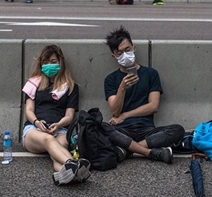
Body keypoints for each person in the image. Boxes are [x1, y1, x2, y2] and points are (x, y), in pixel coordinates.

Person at [103, 26, 184, 163]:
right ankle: (150, 152)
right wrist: (122, 88)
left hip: (146, 129)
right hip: (123, 131)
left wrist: (125, 115)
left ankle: (128, 150)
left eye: (127, 50)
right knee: (102, 128)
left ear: (134, 48)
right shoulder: (111, 79)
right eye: (119, 53)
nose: (125, 55)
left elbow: (153, 106)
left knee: (178, 130)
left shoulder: (150, 74)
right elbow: (114, 112)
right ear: (114, 56)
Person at [22, 44, 90, 186]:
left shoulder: (70, 87)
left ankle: (66, 174)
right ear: (41, 64)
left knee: (57, 151)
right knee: (48, 139)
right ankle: (74, 164)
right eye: (45, 62)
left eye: (53, 62)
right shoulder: (33, 83)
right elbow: (29, 110)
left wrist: (58, 125)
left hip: (61, 130)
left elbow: (69, 116)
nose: (49, 65)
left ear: (61, 62)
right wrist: (37, 123)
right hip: (33, 131)